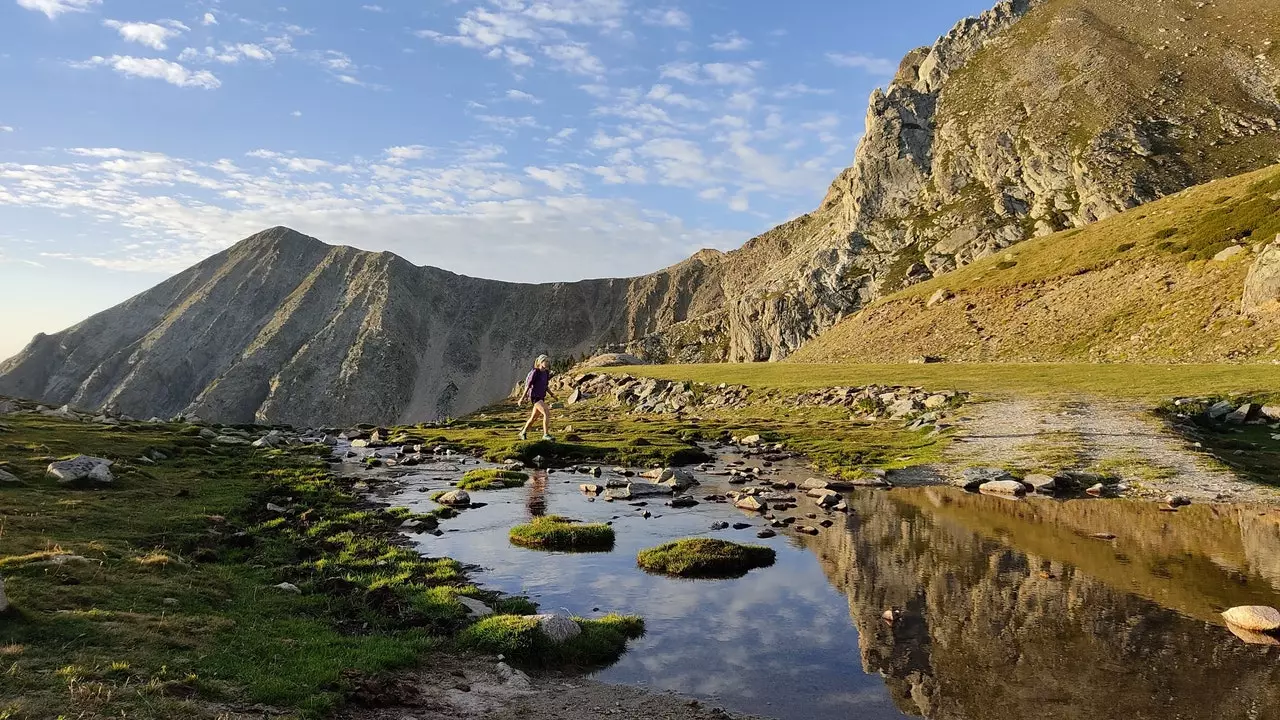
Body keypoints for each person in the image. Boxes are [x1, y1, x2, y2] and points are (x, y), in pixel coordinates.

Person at [518, 354, 557, 441]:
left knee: (534, 418)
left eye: (548, 361)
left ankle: (523, 432)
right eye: (545, 361)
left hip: (541, 396)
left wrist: (552, 395)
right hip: (535, 397)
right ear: (540, 362)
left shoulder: (546, 373)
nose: (547, 363)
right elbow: (528, 386)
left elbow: (545, 386)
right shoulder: (535, 372)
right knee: (546, 412)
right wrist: (522, 398)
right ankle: (545, 434)